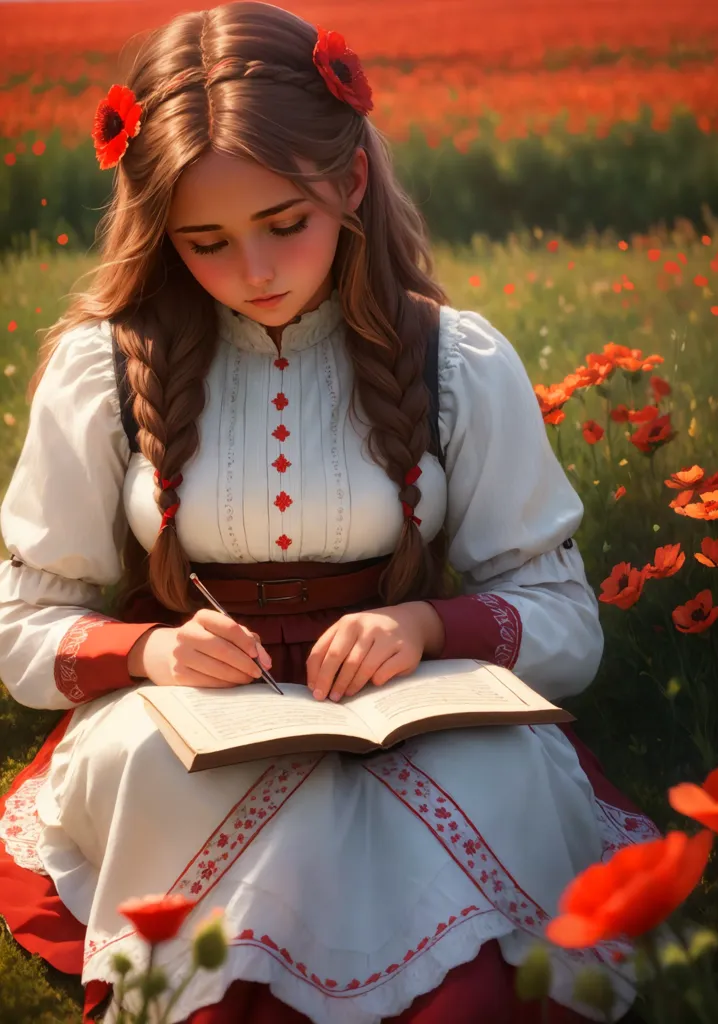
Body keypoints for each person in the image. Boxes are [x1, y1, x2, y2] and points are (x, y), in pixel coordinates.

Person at [0, 4, 658, 1022]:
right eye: (206, 241)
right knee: (148, 771)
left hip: (413, 709)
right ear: (162, 231)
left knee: (497, 786)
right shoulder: (104, 369)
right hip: (193, 724)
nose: (254, 272)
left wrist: (426, 624)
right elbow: (21, 628)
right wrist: (150, 653)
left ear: (349, 183)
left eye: (284, 225)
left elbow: (568, 626)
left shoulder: (456, 360)